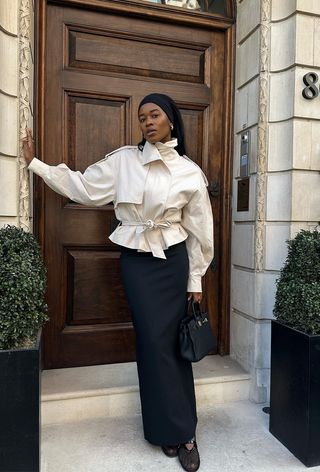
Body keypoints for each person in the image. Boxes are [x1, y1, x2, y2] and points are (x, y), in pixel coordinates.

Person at [23, 93, 214, 472]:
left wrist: (196, 278)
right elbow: (83, 187)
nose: (147, 121)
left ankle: (186, 433)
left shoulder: (190, 172)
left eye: (154, 114)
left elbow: (201, 230)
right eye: (142, 117)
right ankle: (163, 430)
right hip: (138, 263)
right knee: (151, 342)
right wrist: (36, 165)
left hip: (172, 263)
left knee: (172, 346)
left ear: (171, 120)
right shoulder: (124, 160)